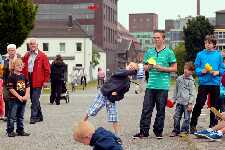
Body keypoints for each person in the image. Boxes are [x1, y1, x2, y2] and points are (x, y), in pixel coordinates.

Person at [133, 30, 177, 139]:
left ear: (163, 39)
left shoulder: (169, 52)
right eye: (154, 38)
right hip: (150, 86)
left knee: (160, 110)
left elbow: (175, 68)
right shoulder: (149, 52)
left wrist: (162, 68)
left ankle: (158, 131)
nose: (156, 40)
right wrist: (149, 67)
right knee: (146, 109)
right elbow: (145, 68)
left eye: (158, 37)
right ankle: (143, 132)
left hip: (163, 86)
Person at [83, 62, 138, 135]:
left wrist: (116, 95)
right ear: (127, 66)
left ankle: (117, 135)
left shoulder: (127, 83)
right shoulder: (120, 71)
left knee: (113, 116)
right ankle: (82, 123)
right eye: (130, 66)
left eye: (133, 67)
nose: (131, 67)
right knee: (93, 109)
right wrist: (134, 71)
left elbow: (122, 95)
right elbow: (122, 73)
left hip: (111, 98)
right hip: (103, 93)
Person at [190, 35, 225, 133]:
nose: (207, 45)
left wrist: (217, 72)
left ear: (214, 44)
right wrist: (202, 70)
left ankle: (212, 126)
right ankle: (192, 125)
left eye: (209, 43)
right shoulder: (200, 54)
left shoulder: (218, 55)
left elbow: (222, 69)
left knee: (214, 107)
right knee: (199, 103)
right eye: (205, 43)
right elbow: (196, 69)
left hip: (215, 84)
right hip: (203, 84)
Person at [22, 38, 50, 124]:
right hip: (28, 78)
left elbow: (47, 69)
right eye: (31, 44)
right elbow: (23, 67)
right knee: (34, 98)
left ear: (37, 45)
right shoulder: (26, 55)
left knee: (34, 99)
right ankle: (40, 116)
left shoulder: (42, 56)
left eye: (34, 44)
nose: (32, 45)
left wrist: (46, 81)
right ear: (29, 45)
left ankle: (33, 117)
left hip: (38, 79)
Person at [169, 62, 196, 137]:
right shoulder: (179, 79)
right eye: (185, 68)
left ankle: (184, 131)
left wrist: (190, 103)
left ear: (191, 72)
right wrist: (173, 99)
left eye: (188, 69)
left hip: (187, 103)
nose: (186, 70)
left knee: (187, 118)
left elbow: (193, 93)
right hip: (179, 102)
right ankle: (176, 130)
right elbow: (176, 90)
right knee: (176, 116)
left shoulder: (191, 81)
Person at [6, 58, 30, 137]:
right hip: (14, 100)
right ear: (13, 66)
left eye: (21, 65)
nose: (19, 66)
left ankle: (20, 130)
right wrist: (18, 96)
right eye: (17, 65)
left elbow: (27, 86)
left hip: (23, 100)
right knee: (12, 116)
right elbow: (11, 88)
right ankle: (10, 131)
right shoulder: (11, 76)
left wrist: (26, 95)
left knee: (20, 116)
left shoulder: (24, 76)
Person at [2, 44, 21, 121]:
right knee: (6, 98)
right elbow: (3, 70)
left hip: (17, 82)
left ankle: (16, 115)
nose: (11, 52)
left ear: (15, 50)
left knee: (16, 98)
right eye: (10, 50)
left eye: (13, 50)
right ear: (7, 51)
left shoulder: (19, 58)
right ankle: (7, 115)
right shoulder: (5, 59)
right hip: (6, 81)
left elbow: (21, 68)